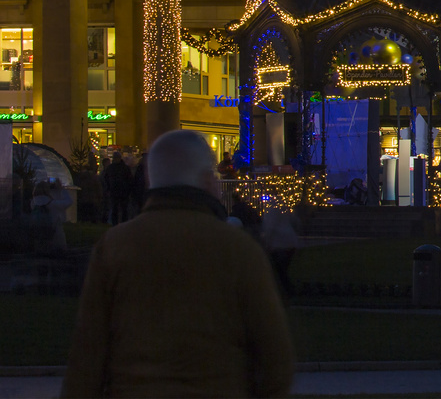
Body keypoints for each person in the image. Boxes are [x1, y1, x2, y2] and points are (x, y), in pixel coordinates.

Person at [61, 130, 294, 398]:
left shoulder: (114, 247)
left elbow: (86, 357)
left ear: (150, 180)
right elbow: (275, 357)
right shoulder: (238, 250)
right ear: (207, 180)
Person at [102, 152, 134, 225]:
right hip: (120, 191)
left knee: (119, 209)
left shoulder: (112, 168)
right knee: (119, 209)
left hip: (119, 191)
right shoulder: (124, 168)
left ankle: (117, 224)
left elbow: (106, 178)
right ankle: (120, 223)